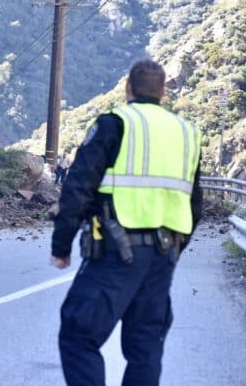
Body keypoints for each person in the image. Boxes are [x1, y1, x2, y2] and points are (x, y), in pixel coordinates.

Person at [50, 59, 203, 386]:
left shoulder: (115, 123)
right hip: (162, 258)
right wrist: (173, 251)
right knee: (145, 347)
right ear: (163, 91)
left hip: (117, 252)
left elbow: (78, 187)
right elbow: (195, 204)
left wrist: (61, 246)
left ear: (128, 88)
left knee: (79, 334)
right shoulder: (188, 133)